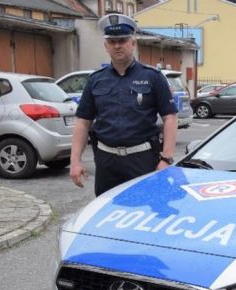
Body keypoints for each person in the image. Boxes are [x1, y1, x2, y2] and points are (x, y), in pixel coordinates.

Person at [70, 13, 177, 196]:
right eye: (112, 41)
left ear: (133, 43)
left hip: (142, 160)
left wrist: (166, 158)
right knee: (107, 210)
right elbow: (83, 122)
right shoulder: (96, 80)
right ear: (106, 46)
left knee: (145, 210)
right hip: (106, 162)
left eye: (122, 40)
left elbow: (170, 118)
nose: (117, 45)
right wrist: (75, 161)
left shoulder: (152, 77)